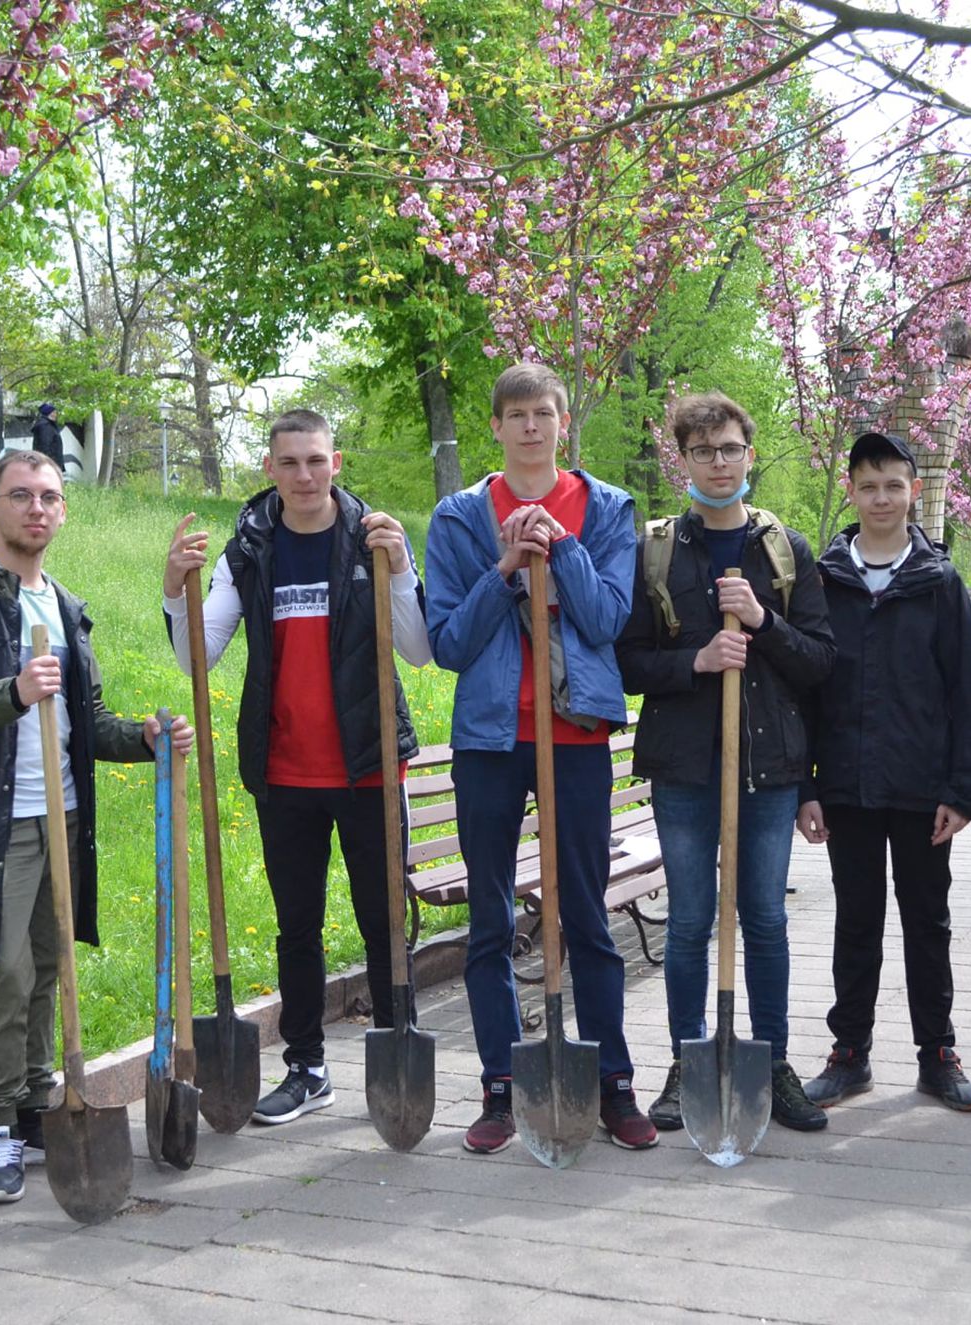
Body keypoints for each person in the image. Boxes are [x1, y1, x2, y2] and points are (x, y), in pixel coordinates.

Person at [0, 448, 184, 1205]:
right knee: (4, 976)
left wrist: (144, 738)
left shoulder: (63, 604)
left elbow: (84, 720)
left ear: (63, 511)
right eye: (21, 495)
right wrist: (12, 692)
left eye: (50, 497)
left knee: (47, 966)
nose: (36, 508)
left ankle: (34, 1106)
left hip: (62, 814)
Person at [161, 409, 431, 1125]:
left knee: (384, 923)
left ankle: (394, 1053)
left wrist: (402, 571)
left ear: (336, 462)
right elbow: (196, 656)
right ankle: (307, 1067)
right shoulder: (249, 549)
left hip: (369, 765)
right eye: (290, 462)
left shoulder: (374, 538)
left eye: (316, 460)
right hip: (285, 773)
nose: (304, 475)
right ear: (270, 469)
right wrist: (173, 590)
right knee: (297, 927)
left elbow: (419, 650)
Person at [424, 361, 654, 1154]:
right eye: (516, 414)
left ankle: (613, 1082)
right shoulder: (460, 518)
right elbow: (450, 644)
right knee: (491, 920)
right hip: (490, 741)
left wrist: (560, 550)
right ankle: (501, 1086)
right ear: (496, 426)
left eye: (543, 413)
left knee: (587, 914)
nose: (530, 426)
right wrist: (505, 570)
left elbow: (607, 620)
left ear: (563, 422)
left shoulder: (607, 509)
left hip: (576, 735)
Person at [615, 392, 834, 1135]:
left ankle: (770, 1062)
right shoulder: (655, 550)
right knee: (689, 923)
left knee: (765, 918)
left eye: (731, 449)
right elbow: (627, 662)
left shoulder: (783, 549)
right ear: (683, 458)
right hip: (685, 769)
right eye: (703, 451)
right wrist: (697, 660)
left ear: (750, 454)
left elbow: (820, 661)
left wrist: (765, 621)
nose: (719, 463)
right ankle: (689, 1060)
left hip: (768, 768)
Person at [796, 432, 971, 1113]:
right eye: (868, 486)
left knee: (927, 922)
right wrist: (806, 788)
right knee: (856, 920)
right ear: (851, 492)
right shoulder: (824, 582)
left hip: (923, 792)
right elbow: (805, 692)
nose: (881, 498)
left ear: (915, 491)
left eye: (893, 485)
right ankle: (849, 1053)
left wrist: (965, 792)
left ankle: (937, 1053)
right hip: (847, 788)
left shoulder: (939, 583)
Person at [30, 404, 64, 469]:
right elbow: (45, 446)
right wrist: (48, 464)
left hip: (50, 462)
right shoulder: (45, 426)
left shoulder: (48, 425)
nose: (56, 415)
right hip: (49, 463)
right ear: (49, 413)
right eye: (54, 412)